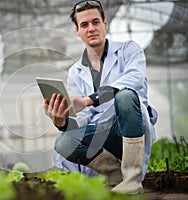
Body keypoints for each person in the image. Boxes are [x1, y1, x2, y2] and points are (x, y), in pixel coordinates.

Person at [44, 0, 158, 195]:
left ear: (105, 24)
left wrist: (89, 100)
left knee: (125, 96)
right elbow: (82, 119)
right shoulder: (76, 72)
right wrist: (61, 121)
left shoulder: (129, 50)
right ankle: (115, 175)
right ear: (77, 31)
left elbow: (134, 80)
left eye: (95, 22)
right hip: (102, 135)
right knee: (64, 142)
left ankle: (132, 179)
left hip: (128, 127)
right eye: (84, 25)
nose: (91, 28)